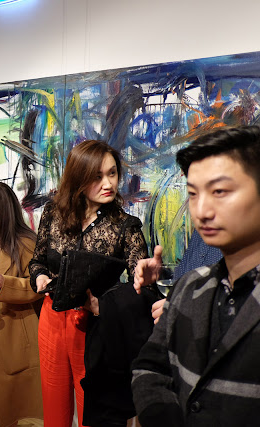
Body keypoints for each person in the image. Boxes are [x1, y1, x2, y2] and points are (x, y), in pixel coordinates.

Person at [131, 126, 260, 426]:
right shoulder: (191, 286)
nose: (201, 210)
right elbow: (149, 368)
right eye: (192, 194)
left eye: (219, 192)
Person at [29, 140, 148, 427]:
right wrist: (40, 277)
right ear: (78, 178)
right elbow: (37, 260)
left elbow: (139, 288)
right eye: (97, 176)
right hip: (52, 319)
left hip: (96, 327)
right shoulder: (53, 213)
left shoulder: (125, 226)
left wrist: (140, 281)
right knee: (54, 409)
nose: (108, 183)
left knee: (93, 413)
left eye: (112, 173)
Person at [0, 182, 43, 427]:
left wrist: (5, 284)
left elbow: (37, 287)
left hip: (14, 327)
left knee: (16, 402)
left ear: (4, 211)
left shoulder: (26, 243)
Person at [134, 231, 222, 323]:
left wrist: (184, 310)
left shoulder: (233, 245)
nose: (202, 216)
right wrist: (161, 274)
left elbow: (231, 305)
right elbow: (182, 280)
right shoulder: (201, 233)